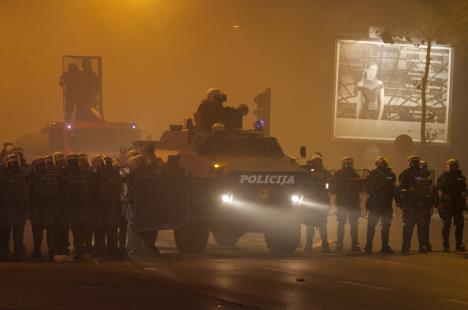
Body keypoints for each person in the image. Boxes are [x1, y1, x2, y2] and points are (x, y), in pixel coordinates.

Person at [60, 154, 93, 260]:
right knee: (78, 230)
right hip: (76, 205)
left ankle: (79, 250)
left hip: (77, 206)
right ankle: (78, 249)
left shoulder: (67, 172)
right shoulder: (83, 172)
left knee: (77, 230)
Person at [397, 156, 431, 253]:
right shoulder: (406, 173)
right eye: (414, 162)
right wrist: (407, 193)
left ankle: (422, 246)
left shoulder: (424, 173)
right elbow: (400, 188)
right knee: (408, 226)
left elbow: (428, 188)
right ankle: (406, 246)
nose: (415, 163)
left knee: (422, 226)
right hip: (410, 203)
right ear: (410, 163)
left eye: (416, 162)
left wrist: (428, 200)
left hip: (421, 203)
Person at [363, 156, 396, 254]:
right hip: (381, 204)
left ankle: (374, 246)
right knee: (379, 226)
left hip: (381, 205)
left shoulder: (378, 174)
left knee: (378, 226)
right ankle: (375, 246)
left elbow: (391, 187)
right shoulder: (378, 174)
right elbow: (367, 188)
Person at [30, 157, 60, 260]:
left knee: (38, 230)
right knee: (50, 230)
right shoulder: (53, 174)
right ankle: (51, 252)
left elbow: (29, 191)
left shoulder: (34, 176)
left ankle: (37, 252)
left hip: (38, 206)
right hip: (50, 206)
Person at [0, 155, 30, 261]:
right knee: (9, 231)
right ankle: (10, 252)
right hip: (10, 207)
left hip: (12, 208)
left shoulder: (19, 173)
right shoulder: (21, 173)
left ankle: (10, 252)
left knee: (10, 231)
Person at [331, 157, 363, 253]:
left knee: (352, 225)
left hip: (351, 204)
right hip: (344, 204)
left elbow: (361, 189)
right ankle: (341, 244)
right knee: (343, 225)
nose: (348, 166)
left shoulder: (355, 175)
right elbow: (333, 189)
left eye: (350, 164)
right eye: (347, 164)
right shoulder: (338, 175)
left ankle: (353, 245)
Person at [95, 156, 124, 258]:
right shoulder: (98, 174)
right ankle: (102, 250)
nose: (107, 165)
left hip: (112, 205)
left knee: (111, 230)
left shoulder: (115, 175)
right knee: (102, 230)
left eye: (108, 163)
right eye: (106, 163)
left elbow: (120, 189)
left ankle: (111, 250)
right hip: (103, 205)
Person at [302, 153, 331, 253]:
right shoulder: (308, 172)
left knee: (316, 225)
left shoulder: (310, 173)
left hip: (316, 203)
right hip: (316, 203)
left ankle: (311, 245)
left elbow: (330, 184)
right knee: (317, 225)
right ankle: (320, 245)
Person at [436, 159, 467, 252]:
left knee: (460, 225)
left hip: (458, 203)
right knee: (446, 224)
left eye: (455, 165)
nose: (454, 167)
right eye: (452, 165)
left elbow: (464, 188)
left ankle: (459, 244)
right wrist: (439, 203)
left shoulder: (461, 177)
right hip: (447, 203)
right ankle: (446, 245)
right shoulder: (443, 176)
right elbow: (438, 188)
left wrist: (464, 194)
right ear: (448, 166)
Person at [420, 160, 437, 252]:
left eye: (425, 166)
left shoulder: (429, 177)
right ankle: (422, 244)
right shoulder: (415, 177)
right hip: (418, 205)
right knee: (420, 226)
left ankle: (426, 243)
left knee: (425, 226)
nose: (424, 168)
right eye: (422, 166)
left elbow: (433, 190)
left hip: (427, 205)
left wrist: (435, 202)